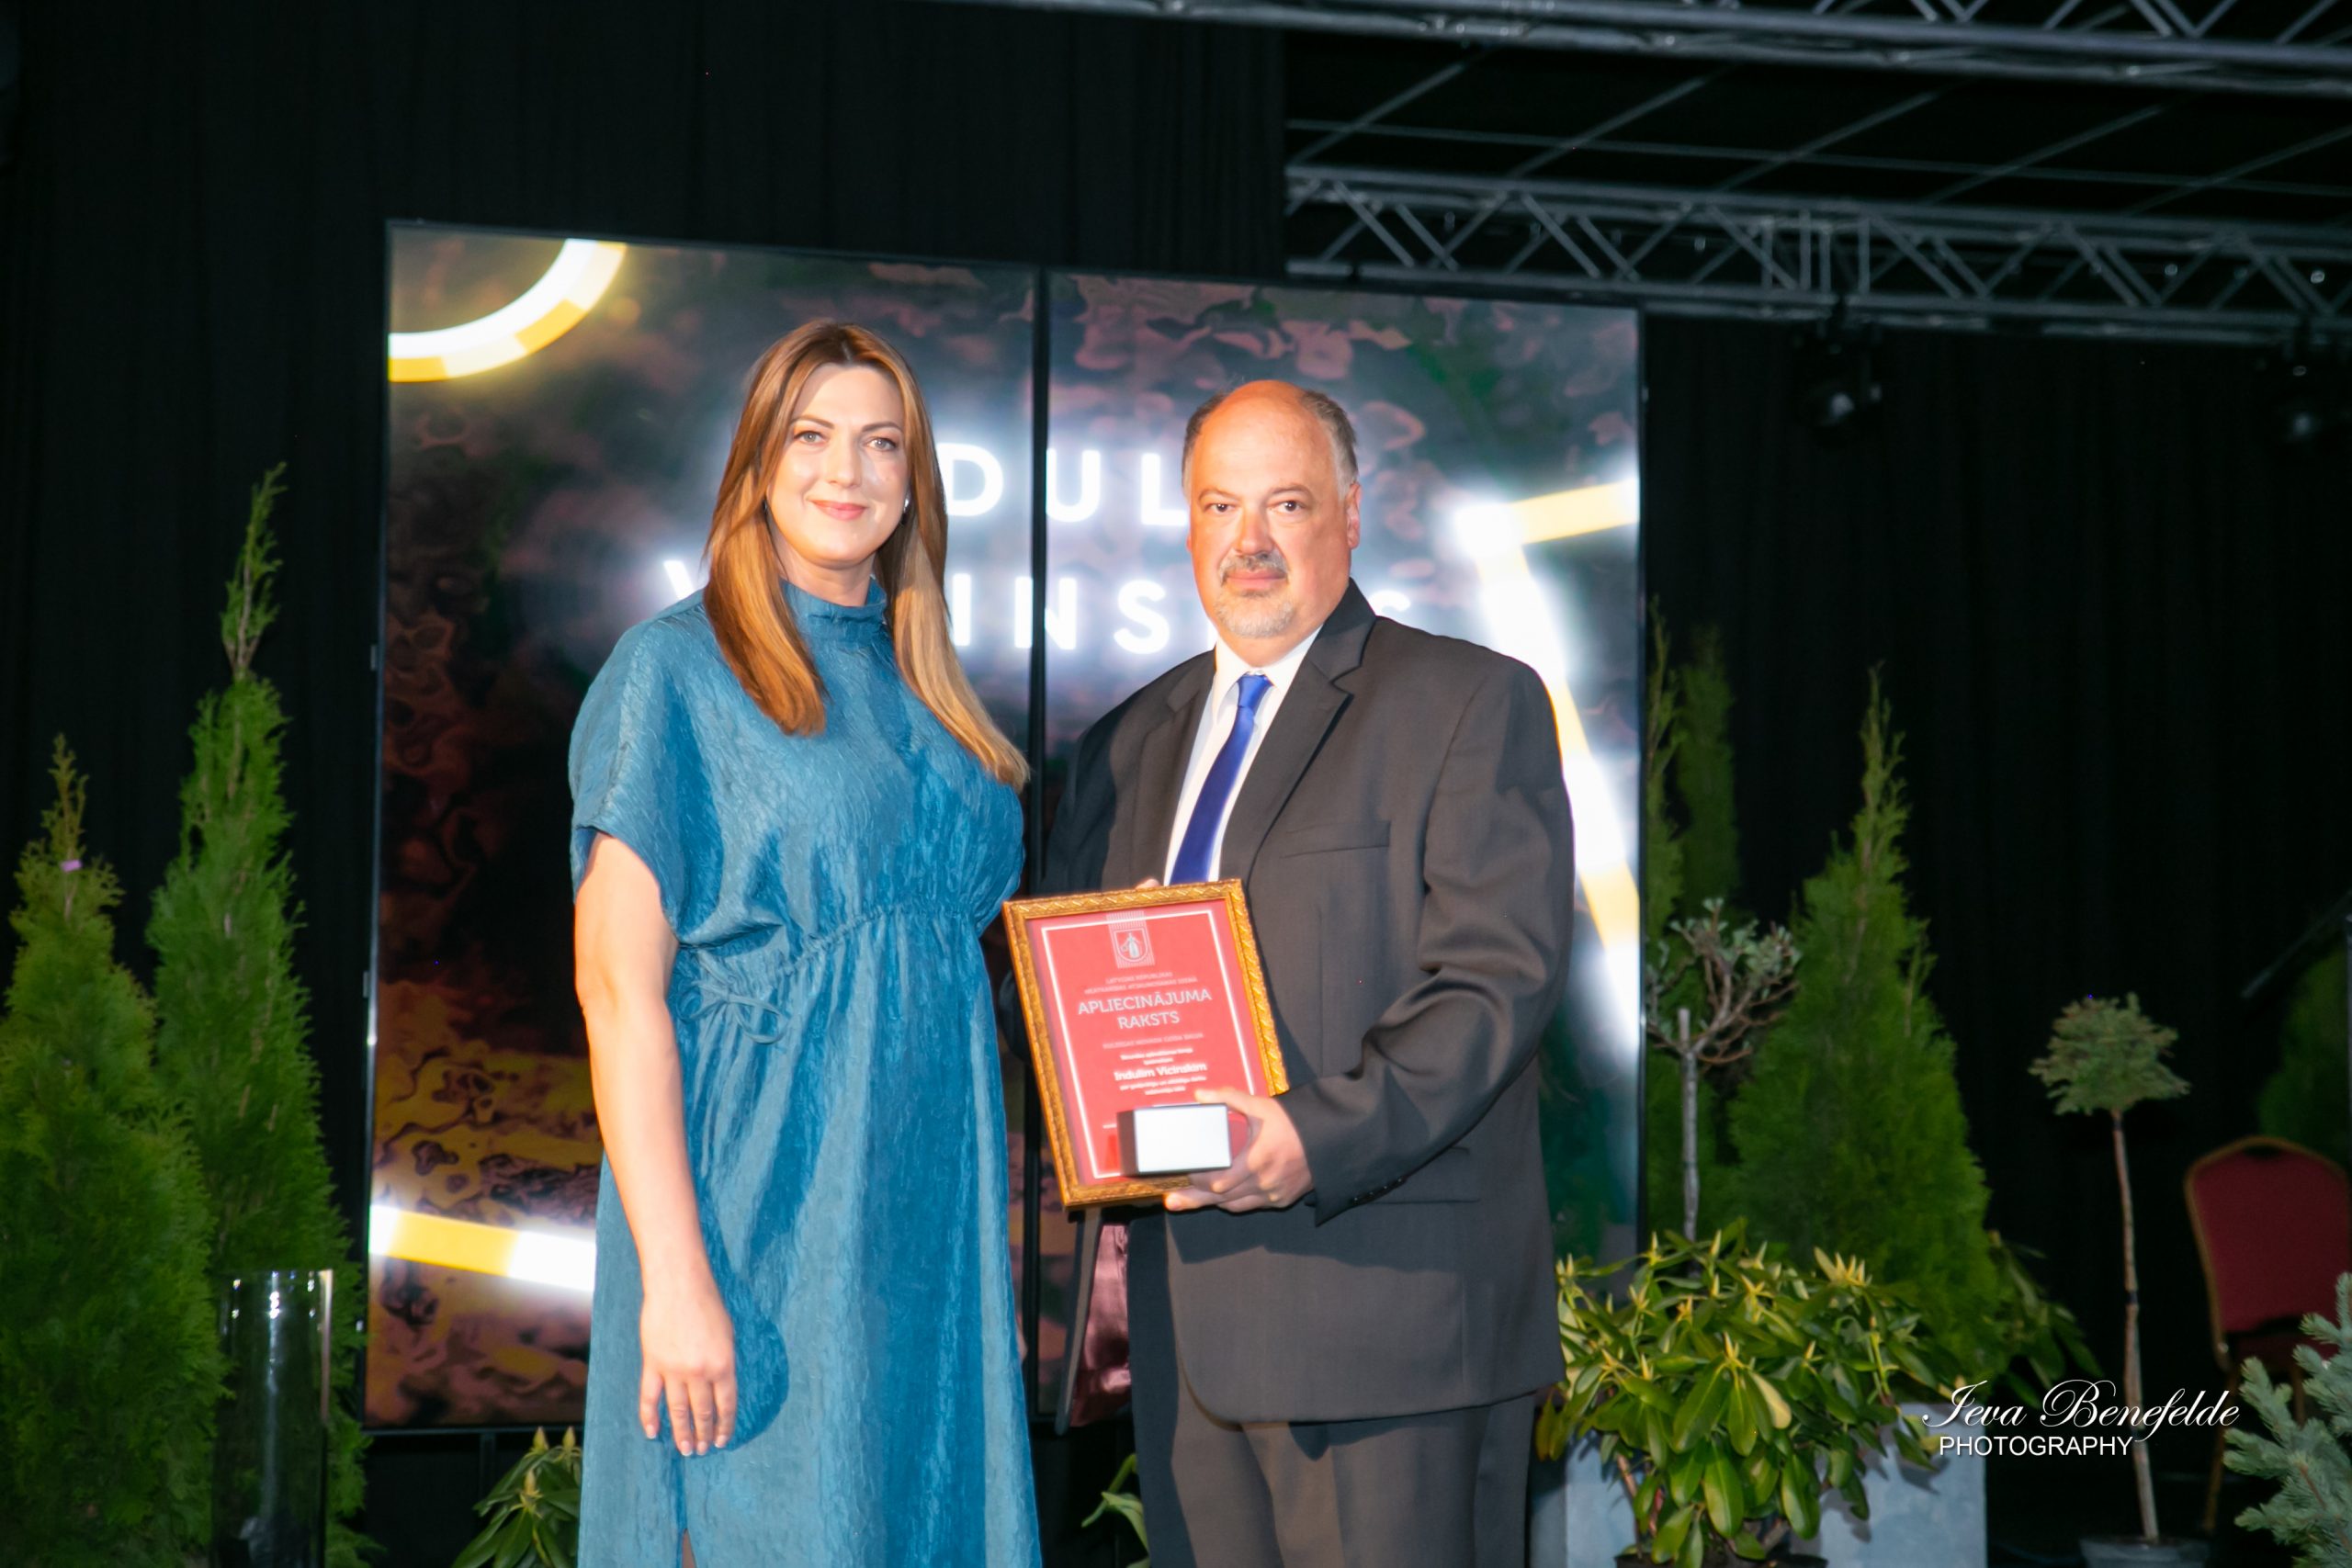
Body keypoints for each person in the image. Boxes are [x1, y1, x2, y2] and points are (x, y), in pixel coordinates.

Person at [1038, 380, 1575, 1567]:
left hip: (1391, 1326)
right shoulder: (1125, 745)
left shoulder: (1466, 702)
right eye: (1220, 506)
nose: (1251, 540)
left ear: (1351, 514)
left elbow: (1496, 983)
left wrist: (1311, 1137)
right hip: (1188, 1344)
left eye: (1286, 503)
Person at [568, 321, 1038, 1568]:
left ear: (914, 480)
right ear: (758, 464)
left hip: (924, 1232)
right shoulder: (675, 670)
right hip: (758, 1213)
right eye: (813, 437)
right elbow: (617, 995)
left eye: (882, 444)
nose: (848, 471)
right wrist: (676, 1280)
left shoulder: (930, 686)